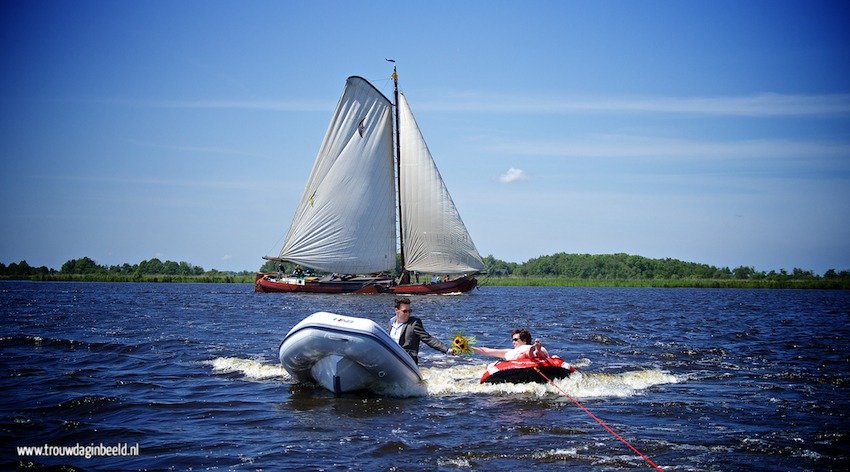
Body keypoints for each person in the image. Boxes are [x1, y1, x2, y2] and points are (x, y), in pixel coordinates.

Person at [389, 297, 455, 364]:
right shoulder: (391, 323)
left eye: (410, 311)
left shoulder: (414, 323)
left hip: (407, 361)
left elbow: (428, 339)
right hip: (391, 359)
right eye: (405, 311)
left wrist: (447, 350)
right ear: (396, 310)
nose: (408, 314)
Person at [472, 328, 549, 360]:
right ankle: (535, 352)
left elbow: (487, 351)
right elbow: (487, 351)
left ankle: (535, 352)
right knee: (524, 355)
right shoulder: (510, 351)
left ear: (524, 340)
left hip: (531, 351)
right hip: (534, 352)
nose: (513, 342)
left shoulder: (522, 347)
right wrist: (468, 348)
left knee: (522, 355)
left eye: (515, 340)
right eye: (512, 340)